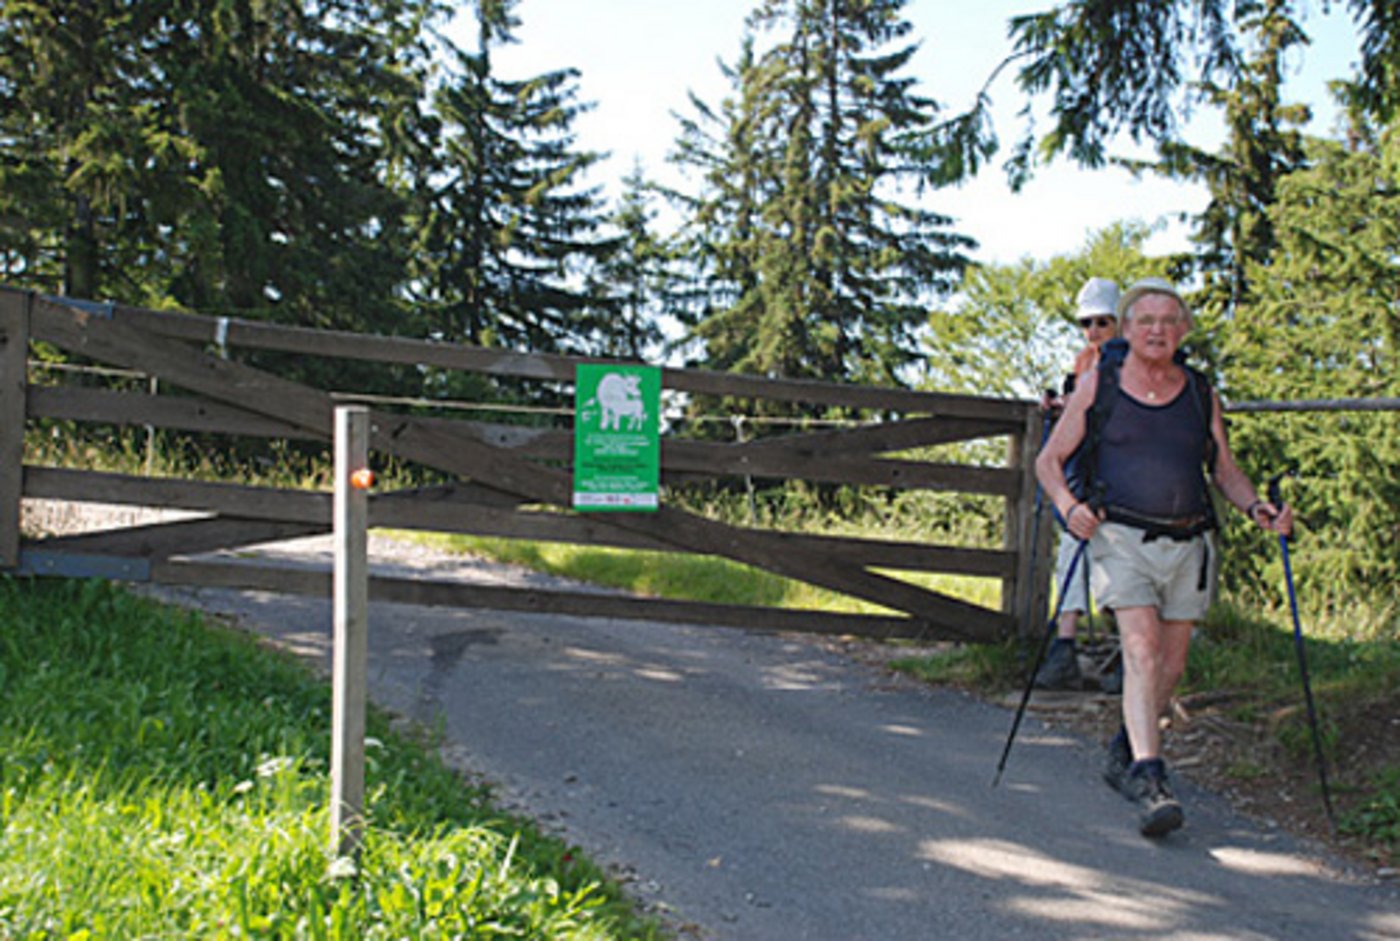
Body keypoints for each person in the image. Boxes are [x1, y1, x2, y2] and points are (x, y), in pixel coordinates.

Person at [1034, 277, 1293, 838]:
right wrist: (1069, 506)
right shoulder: (1099, 384)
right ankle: (1151, 778)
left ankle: (1126, 748)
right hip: (1120, 537)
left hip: (1188, 540)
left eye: (1169, 321)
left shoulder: (1199, 393)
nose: (1157, 330)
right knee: (1142, 649)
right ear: (1127, 329)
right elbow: (1049, 461)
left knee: (1170, 667)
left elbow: (1223, 469)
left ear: (1183, 331)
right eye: (1146, 320)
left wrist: (1256, 508)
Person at [1033, 276, 1120, 692]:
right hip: (1083, 476)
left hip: (1121, 477)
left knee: (1119, 562)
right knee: (1072, 547)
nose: (1094, 331)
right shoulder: (1083, 362)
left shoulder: (1130, 365)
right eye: (1087, 323)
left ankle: (1128, 655)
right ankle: (1064, 647)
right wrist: (1060, 406)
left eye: (1103, 322)